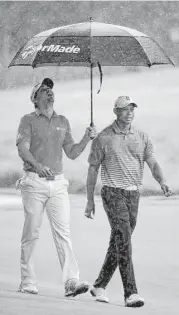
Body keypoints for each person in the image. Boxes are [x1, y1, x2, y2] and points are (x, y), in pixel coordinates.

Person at [85, 96, 172, 307]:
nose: (130, 112)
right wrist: (90, 200)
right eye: (125, 109)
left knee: (118, 240)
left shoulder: (142, 136)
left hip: (134, 195)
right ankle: (130, 293)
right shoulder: (103, 137)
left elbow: (152, 161)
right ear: (116, 111)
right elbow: (93, 169)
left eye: (132, 108)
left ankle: (99, 285)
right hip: (112, 192)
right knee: (124, 238)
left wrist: (162, 181)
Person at [16, 78, 97, 297]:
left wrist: (86, 138)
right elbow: (23, 150)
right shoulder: (28, 120)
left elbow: (71, 152)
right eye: (44, 90)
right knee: (31, 233)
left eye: (51, 90)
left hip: (58, 184)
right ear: (35, 98)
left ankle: (71, 281)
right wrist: (38, 166)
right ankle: (27, 282)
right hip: (33, 182)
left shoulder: (63, 120)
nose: (49, 93)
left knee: (64, 233)